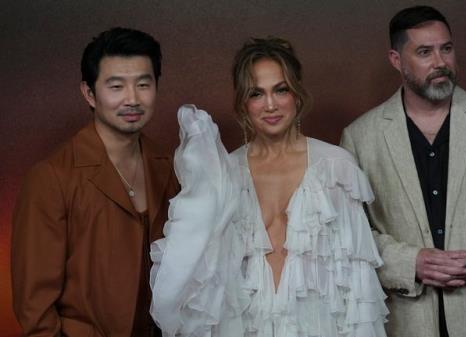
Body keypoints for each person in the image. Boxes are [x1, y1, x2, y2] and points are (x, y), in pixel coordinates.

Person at [150, 37, 388, 336]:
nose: (271, 105)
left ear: (297, 94)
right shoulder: (227, 175)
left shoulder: (336, 167)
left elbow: (357, 279)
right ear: (242, 103)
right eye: (256, 93)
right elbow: (207, 277)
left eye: (281, 89)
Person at [340, 6, 466, 337]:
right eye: (424, 52)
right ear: (396, 60)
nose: (440, 62)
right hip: (404, 324)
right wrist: (409, 264)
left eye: (446, 49)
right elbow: (352, 234)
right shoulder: (360, 137)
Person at [11, 27, 178, 336]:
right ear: (89, 93)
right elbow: (35, 309)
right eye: (116, 86)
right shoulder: (51, 178)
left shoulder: (168, 167)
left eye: (144, 84)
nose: (132, 99)